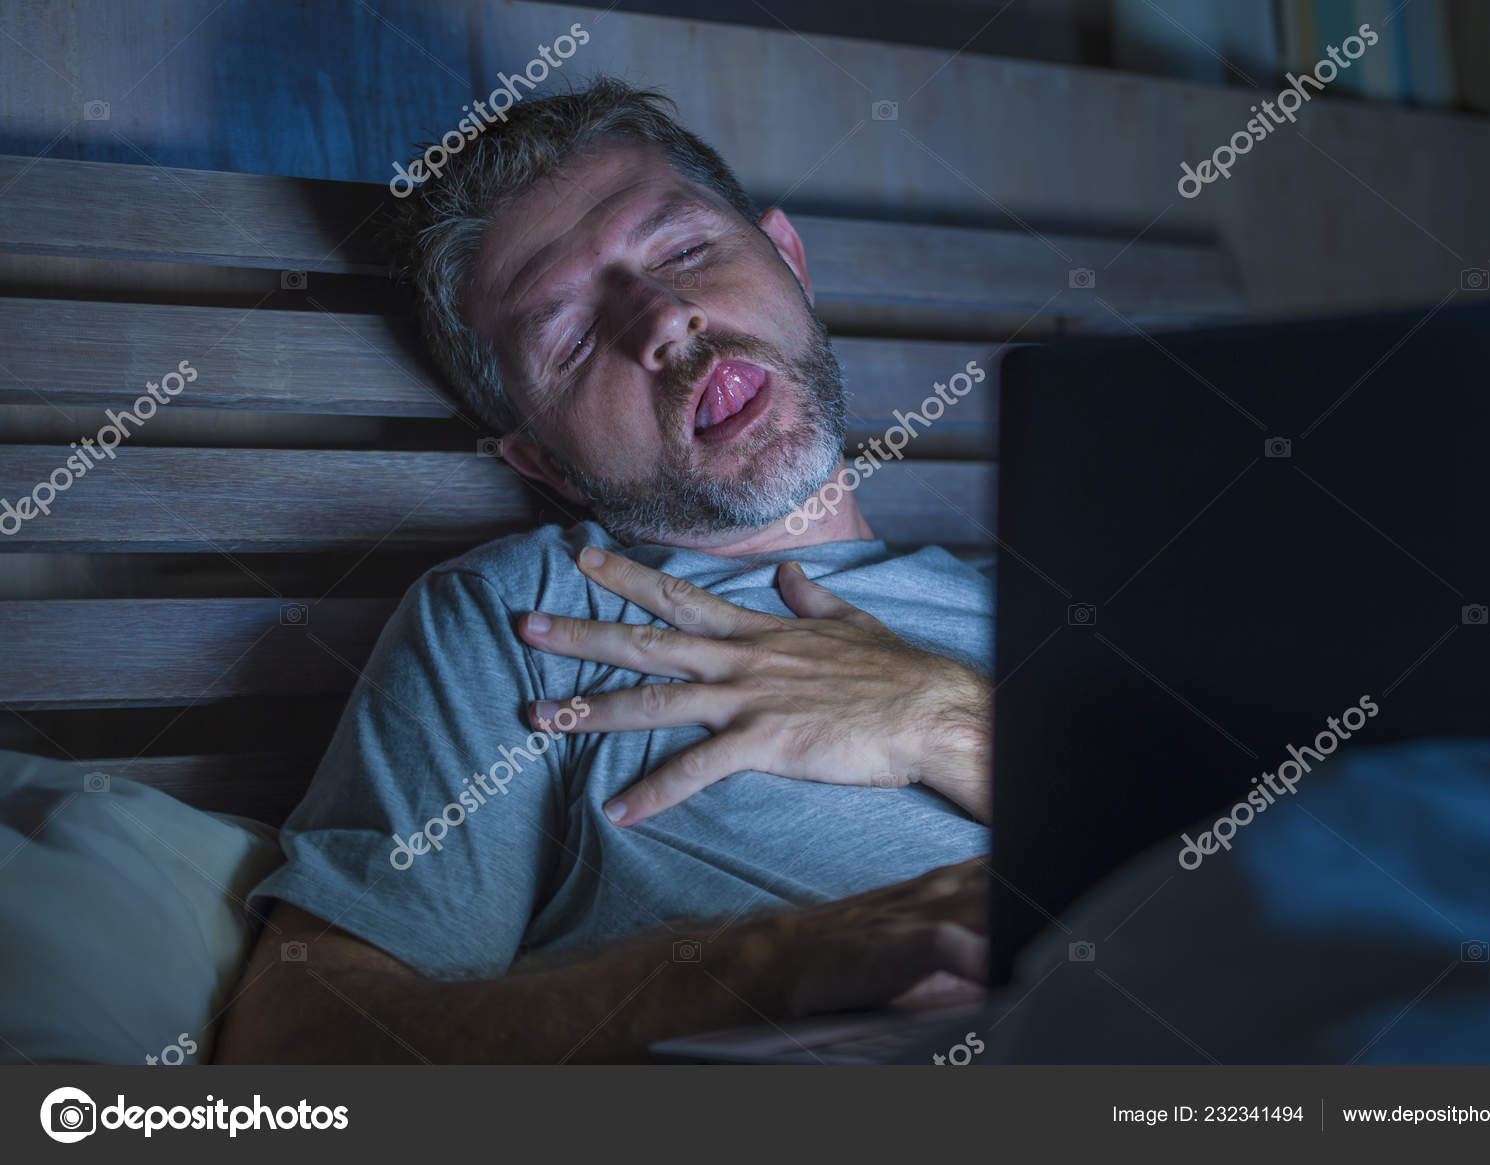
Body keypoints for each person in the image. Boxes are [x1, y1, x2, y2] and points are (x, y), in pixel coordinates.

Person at [217, 78, 995, 1064]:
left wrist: (942, 717)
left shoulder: (1038, 598)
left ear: (789, 261)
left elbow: (1241, 844)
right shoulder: (524, 621)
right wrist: (769, 965)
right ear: (542, 462)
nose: (663, 321)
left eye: (684, 250)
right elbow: (289, 1051)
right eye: (575, 338)